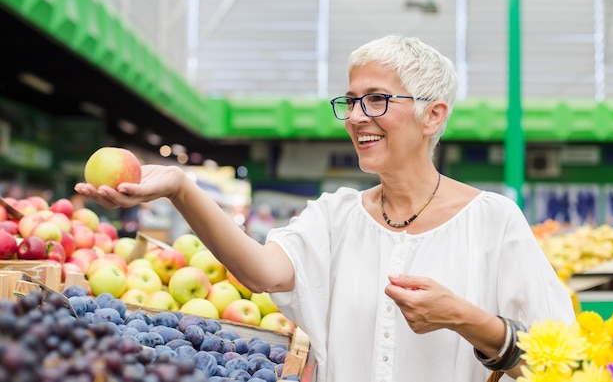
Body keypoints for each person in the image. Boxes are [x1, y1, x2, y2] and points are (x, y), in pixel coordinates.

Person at [75, 35, 575, 382]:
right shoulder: (336, 216)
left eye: (377, 100)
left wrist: (465, 318)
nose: (357, 117)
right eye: (350, 101)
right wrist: (181, 189)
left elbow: (556, 366)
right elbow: (262, 273)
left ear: (433, 115)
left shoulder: (491, 221)